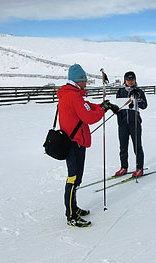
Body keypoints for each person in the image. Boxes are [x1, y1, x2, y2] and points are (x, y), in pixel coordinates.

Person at [57, 64, 119, 227]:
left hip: (75, 142)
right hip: (73, 144)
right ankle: (71, 215)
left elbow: (87, 106)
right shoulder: (73, 97)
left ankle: (74, 208)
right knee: (73, 178)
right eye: (84, 80)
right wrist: (103, 110)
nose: (86, 83)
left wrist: (103, 106)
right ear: (79, 80)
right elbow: (89, 117)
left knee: (76, 178)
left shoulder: (71, 95)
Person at [114, 71, 148, 177]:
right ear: (125, 80)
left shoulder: (139, 91)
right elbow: (118, 106)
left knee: (137, 146)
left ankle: (139, 168)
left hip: (135, 123)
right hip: (123, 123)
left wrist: (138, 98)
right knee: (123, 147)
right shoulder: (120, 91)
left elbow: (144, 106)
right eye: (128, 80)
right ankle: (124, 167)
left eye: (132, 79)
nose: (130, 82)